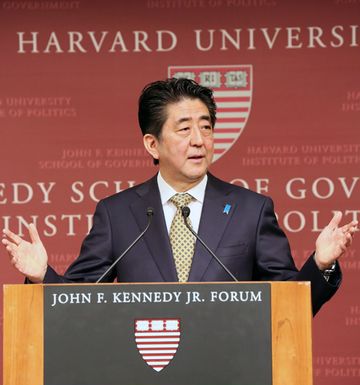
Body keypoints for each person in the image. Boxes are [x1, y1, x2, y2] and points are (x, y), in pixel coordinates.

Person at [2, 78, 357, 315]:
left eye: (206, 128)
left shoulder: (251, 210)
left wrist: (320, 264)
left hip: (232, 377)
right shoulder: (118, 214)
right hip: (145, 376)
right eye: (184, 129)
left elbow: (289, 305)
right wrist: (41, 276)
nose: (199, 140)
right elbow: (77, 301)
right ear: (152, 144)